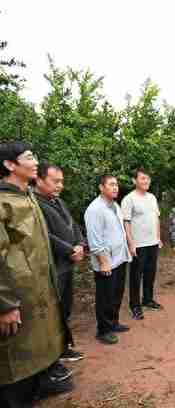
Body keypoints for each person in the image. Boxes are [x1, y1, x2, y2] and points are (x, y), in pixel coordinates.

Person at [0, 142, 72, 408]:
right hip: (15, 298)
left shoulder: (27, 196)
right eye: (29, 157)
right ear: (10, 165)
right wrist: (5, 304)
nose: (35, 162)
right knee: (14, 368)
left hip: (37, 293)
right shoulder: (3, 202)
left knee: (36, 356)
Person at [34, 163, 85, 362]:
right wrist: (69, 250)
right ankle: (52, 356)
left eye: (62, 181)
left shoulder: (58, 201)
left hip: (67, 265)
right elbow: (45, 235)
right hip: (53, 267)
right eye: (55, 181)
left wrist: (80, 243)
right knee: (52, 313)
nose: (60, 185)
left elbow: (73, 225)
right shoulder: (35, 204)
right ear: (38, 180)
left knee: (65, 308)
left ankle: (63, 348)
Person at [84, 175, 131, 345]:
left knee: (116, 294)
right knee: (105, 296)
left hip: (119, 258)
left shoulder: (114, 205)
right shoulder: (95, 209)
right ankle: (103, 330)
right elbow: (95, 240)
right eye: (111, 185)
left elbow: (119, 232)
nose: (115, 188)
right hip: (106, 261)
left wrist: (127, 251)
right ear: (101, 187)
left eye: (116, 185)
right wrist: (103, 262)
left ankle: (114, 322)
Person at [121, 168, 163, 321]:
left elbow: (156, 218)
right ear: (135, 181)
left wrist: (158, 237)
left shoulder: (152, 197)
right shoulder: (129, 199)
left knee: (150, 273)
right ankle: (135, 305)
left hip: (152, 243)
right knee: (135, 276)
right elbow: (126, 222)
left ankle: (148, 299)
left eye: (148, 179)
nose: (146, 181)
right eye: (143, 178)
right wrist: (131, 243)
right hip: (138, 244)